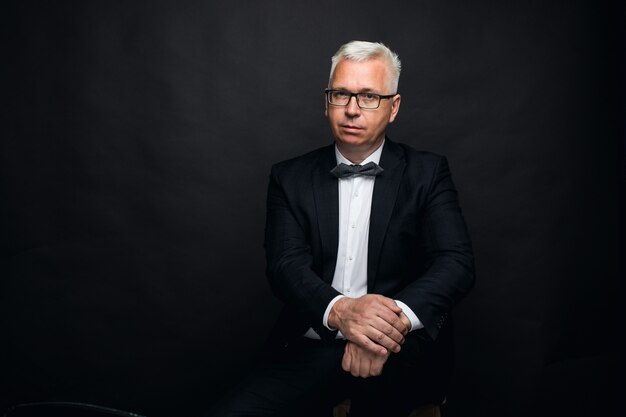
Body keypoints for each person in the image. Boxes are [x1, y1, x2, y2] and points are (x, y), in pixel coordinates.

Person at [211, 40, 475, 417]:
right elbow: (285, 266)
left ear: (393, 107)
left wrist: (380, 328)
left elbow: (456, 263)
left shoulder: (427, 172)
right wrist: (341, 314)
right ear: (327, 101)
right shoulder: (289, 177)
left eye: (368, 96)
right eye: (341, 94)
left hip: (402, 348)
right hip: (312, 344)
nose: (352, 110)